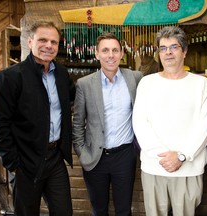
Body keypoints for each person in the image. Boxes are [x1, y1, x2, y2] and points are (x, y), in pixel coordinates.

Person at [0, 21, 75, 216]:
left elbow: (70, 103)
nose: (49, 45)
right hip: (25, 162)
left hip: (55, 159)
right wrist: (12, 164)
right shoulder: (9, 78)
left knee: (64, 212)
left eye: (54, 42)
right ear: (30, 42)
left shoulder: (62, 74)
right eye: (43, 40)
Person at [132, 26, 207, 216]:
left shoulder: (200, 84)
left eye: (174, 47)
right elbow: (140, 123)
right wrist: (163, 156)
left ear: (184, 51)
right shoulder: (147, 83)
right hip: (155, 166)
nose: (168, 52)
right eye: (163, 48)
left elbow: (205, 126)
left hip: (188, 167)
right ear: (158, 53)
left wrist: (182, 156)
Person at [72, 32, 143, 216]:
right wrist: (83, 153)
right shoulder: (84, 84)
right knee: (99, 209)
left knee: (124, 210)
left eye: (114, 50)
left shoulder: (135, 78)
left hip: (124, 156)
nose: (110, 55)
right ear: (97, 54)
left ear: (121, 53)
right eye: (105, 50)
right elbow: (77, 124)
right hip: (95, 157)